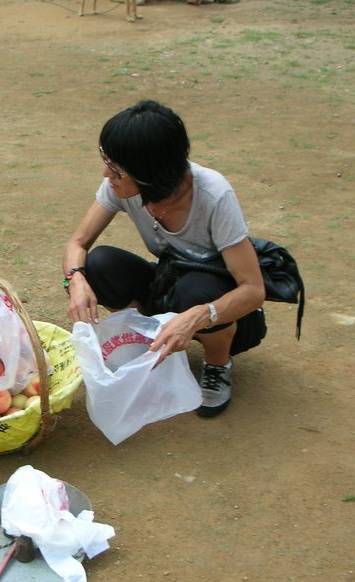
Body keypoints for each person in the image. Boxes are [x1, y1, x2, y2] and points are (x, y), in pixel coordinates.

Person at [63, 100, 266, 417]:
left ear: (150, 172)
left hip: (225, 309)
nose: (107, 175)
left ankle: (217, 364)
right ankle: (148, 343)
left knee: (195, 291)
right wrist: (75, 280)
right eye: (107, 162)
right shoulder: (119, 188)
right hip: (169, 284)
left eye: (117, 169)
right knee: (98, 264)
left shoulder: (214, 195)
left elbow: (253, 290)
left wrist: (199, 315)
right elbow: (78, 242)